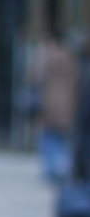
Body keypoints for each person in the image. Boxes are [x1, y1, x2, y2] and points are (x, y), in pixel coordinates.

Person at [33, 31, 81, 184]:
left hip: (50, 106)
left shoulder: (48, 59)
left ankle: (52, 170)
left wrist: (41, 56)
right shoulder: (71, 59)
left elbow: (34, 77)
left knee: (48, 137)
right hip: (68, 105)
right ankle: (62, 168)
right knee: (63, 139)